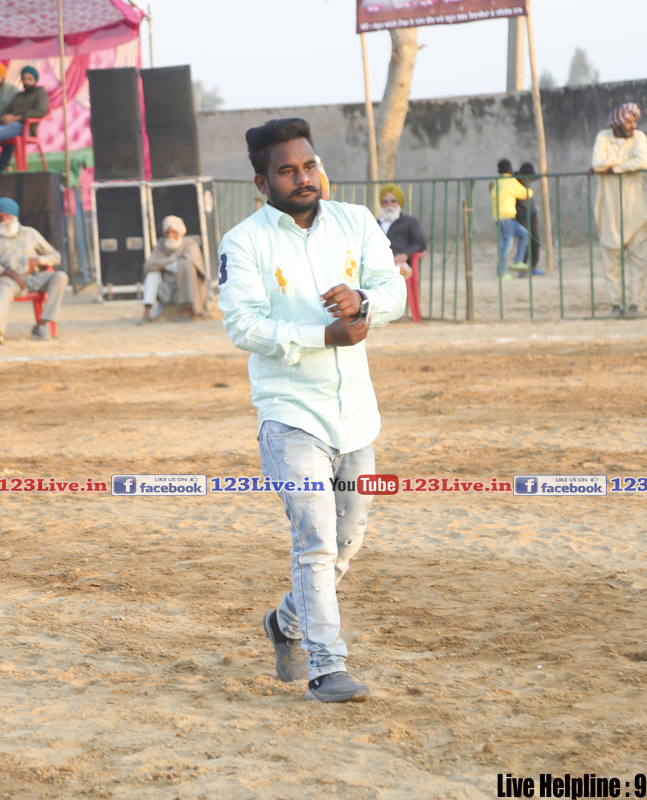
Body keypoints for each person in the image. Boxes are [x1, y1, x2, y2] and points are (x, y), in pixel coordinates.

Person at [218, 118, 406, 704]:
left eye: (309, 165)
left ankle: (285, 623)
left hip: (356, 416)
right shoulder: (243, 241)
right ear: (262, 182)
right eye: (287, 170)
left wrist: (364, 299)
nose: (303, 178)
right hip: (289, 414)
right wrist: (323, 335)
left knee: (346, 542)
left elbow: (394, 290)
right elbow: (243, 326)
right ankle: (328, 667)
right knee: (316, 541)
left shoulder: (356, 220)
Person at [592, 102, 647, 318]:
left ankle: (636, 305)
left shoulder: (639, 138)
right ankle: (615, 305)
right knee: (611, 266)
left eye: (635, 121)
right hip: (610, 212)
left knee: (639, 263)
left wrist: (613, 168)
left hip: (637, 212)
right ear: (617, 124)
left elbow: (642, 162)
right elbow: (597, 164)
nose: (634, 126)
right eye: (629, 122)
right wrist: (625, 161)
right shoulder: (603, 137)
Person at [0, 197, 66, 342]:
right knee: (3, 287)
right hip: (10, 279)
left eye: (7, 216)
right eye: (1, 217)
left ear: (14, 216)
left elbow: (56, 256)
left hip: (35, 277)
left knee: (60, 277)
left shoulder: (30, 233)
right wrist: (8, 273)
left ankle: (41, 325)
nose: (4, 220)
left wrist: (40, 260)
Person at [137, 215, 209, 324]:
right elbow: (150, 264)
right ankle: (147, 312)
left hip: (183, 289)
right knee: (152, 273)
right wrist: (173, 260)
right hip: (166, 290)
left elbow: (188, 263)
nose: (170, 236)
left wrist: (164, 264)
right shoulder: (160, 246)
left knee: (186, 266)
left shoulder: (190, 245)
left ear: (180, 233)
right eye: (167, 233)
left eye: (174, 232)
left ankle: (187, 310)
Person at [489, 158, 532, 279]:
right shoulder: (511, 181)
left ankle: (518, 262)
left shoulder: (497, 182)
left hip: (500, 217)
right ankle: (500, 273)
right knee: (507, 245)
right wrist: (529, 188)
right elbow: (525, 194)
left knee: (525, 234)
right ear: (511, 170)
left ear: (499, 171)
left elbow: (493, 194)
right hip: (507, 217)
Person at [377, 184, 427, 280]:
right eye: (385, 201)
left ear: (399, 203)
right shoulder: (375, 224)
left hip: (399, 265)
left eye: (393, 201)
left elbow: (420, 243)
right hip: (376, 264)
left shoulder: (410, 222)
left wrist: (405, 255)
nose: (389, 204)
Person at [515, 163, 544, 275]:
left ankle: (533, 266)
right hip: (521, 215)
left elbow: (536, 177)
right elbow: (503, 182)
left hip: (532, 213)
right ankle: (522, 267)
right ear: (520, 174)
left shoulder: (528, 178)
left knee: (535, 239)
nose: (529, 181)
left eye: (531, 179)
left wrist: (543, 174)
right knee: (525, 239)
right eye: (527, 179)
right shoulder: (513, 180)